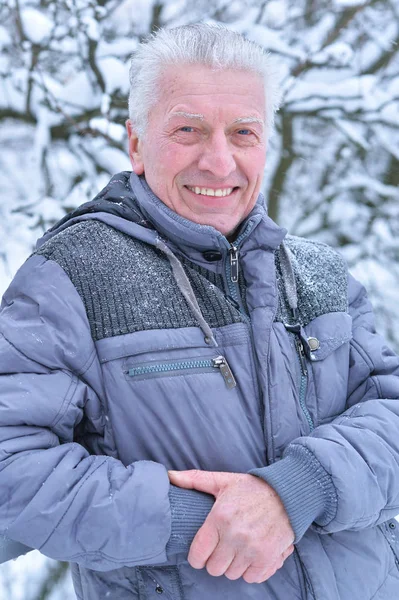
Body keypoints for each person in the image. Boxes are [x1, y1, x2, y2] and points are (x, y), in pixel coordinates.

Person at [1, 23, 399, 600]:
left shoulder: (317, 274)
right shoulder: (73, 278)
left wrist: (300, 489)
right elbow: (10, 471)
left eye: (243, 132)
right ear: (136, 143)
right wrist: (202, 523)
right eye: (188, 130)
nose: (219, 161)